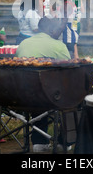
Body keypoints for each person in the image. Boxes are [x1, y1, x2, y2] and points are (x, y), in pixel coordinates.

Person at [16, 17, 70, 152]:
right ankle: (64, 142)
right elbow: (71, 70)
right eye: (58, 29)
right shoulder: (58, 46)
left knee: (39, 92)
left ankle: (39, 142)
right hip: (49, 97)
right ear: (52, 30)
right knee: (73, 99)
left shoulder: (23, 43)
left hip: (21, 96)